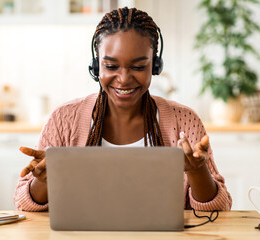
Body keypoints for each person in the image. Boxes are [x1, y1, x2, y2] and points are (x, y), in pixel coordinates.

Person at [14, 7, 232, 212]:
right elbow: (24, 203)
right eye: (110, 66)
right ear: (96, 66)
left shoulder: (184, 120)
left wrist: (197, 171)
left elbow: (219, 209)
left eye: (138, 67)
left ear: (155, 67)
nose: (124, 79)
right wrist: (42, 181)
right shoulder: (64, 119)